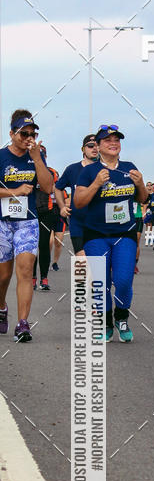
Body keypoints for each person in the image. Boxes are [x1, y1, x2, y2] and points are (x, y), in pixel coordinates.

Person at [74, 124, 148, 342]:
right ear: (97, 146)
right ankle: (106, 322)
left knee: (124, 281)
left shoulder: (129, 167)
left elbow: (142, 199)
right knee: (101, 283)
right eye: (107, 140)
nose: (113, 143)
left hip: (124, 233)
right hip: (96, 235)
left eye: (117, 140)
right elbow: (78, 202)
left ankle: (121, 318)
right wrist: (96, 184)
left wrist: (140, 183)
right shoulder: (89, 171)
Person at [0, 109, 52, 341]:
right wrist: (14, 191)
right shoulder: (1, 157)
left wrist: (38, 158)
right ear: (12, 134)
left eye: (32, 133)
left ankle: (23, 323)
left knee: (25, 270)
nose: (28, 137)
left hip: (27, 221)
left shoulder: (36, 156)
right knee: (3, 276)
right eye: (23, 133)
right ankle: (2, 307)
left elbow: (48, 187)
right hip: (2, 222)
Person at [55, 134, 99, 257]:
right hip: (78, 222)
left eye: (97, 145)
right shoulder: (72, 169)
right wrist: (62, 207)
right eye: (90, 146)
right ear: (83, 149)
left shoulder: (104, 169)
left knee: (98, 265)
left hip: (100, 224)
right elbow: (58, 188)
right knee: (82, 261)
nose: (94, 148)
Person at [33, 152, 59, 291]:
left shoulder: (52, 172)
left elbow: (55, 189)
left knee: (44, 245)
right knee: (31, 248)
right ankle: (32, 278)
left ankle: (44, 277)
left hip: (46, 213)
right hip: (30, 213)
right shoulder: (28, 171)